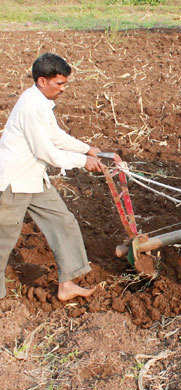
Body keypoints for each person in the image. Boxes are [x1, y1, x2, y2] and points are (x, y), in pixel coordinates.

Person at [0, 53, 117, 301]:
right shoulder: (31, 106)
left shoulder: (41, 103)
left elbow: (55, 136)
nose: (64, 89)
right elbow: (48, 152)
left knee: (63, 222)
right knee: (4, 239)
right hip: (13, 182)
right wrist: (83, 162)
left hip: (34, 178)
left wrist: (87, 148)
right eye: (60, 83)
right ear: (43, 81)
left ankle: (67, 284)